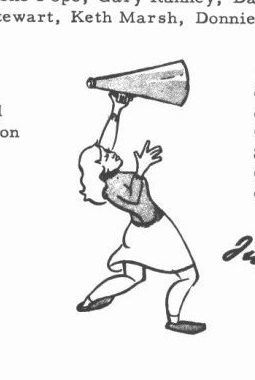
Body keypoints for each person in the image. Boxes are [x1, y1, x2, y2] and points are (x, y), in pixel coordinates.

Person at [77, 92, 205, 335]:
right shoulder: (111, 190)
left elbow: (105, 143)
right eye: (106, 157)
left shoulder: (110, 176)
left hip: (141, 232)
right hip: (155, 232)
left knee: (134, 277)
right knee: (188, 275)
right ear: (102, 168)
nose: (111, 153)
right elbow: (136, 200)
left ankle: (90, 300)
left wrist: (116, 110)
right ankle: (174, 320)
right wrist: (141, 168)